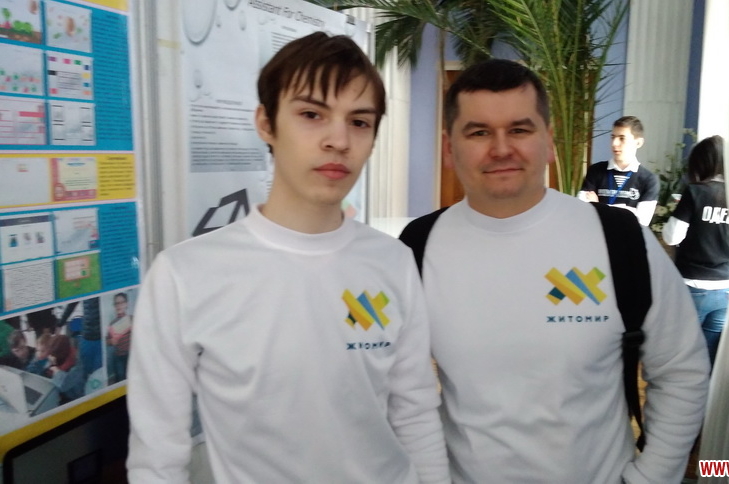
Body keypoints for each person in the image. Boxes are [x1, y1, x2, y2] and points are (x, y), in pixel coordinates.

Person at [126, 32, 448, 483]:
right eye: (312, 115)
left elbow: (415, 413)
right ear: (266, 123)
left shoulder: (391, 261)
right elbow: (158, 455)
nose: (339, 140)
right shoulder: (185, 275)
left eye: (359, 121)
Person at [403, 59, 709, 483]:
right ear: (449, 148)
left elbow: (681, 370)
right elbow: (402, 394)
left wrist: (651, 477)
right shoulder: (418, 248)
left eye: (519, 129)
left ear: (547, 140)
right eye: (478, 132)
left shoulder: (619, 240)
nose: (501, 148)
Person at [662, 135, 729, 365]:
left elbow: (672, 236)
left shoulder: (695, 192)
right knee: (711, 356)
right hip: (727, 287)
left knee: (683, 354)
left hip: (693, 285)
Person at [578, 116, 660, 225]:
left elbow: (641, 222)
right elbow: (583, 211)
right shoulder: (595, 170)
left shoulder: (649, 179)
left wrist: (599, 206)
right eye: (613, 137)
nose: (614, 143)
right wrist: (629, 211)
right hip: (595, 234)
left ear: (638, 143)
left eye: (622, 138)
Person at [46, 334, 85, 403]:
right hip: (59, 395)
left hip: (74, 398)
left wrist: (55, 369)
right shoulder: (54, 356)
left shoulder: (76, 363)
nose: (51, 357)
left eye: (54, 355)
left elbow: (64, 384)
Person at [106, 292, 132, 382]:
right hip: (119, 357)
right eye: (116, 303)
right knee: (121, 378)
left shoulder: (131, 319)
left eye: (121, 302)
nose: (119, 305)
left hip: (131, 355)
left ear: (126, 304)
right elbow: (106, 341)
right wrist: (111, 341)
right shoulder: (112, 323)